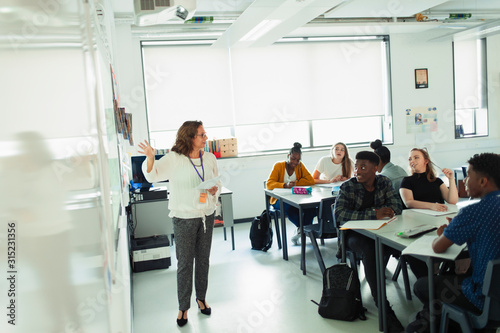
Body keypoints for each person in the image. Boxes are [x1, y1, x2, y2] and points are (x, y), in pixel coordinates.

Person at [138, 120, 221, 327]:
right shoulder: (174, 159)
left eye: (205, 134)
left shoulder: (209, 158)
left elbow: (216, 181)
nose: (205, 138)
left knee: (203, 260)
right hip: (183, 218)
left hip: (206, 216)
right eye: (202, 135)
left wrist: (214, 189)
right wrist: (150, 157)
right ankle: (183, 308)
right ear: (191, 137)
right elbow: (152, 175)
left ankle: (201, 298)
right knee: (185, 264)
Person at [406, 153, 500, 333]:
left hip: (485, 299)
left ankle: (437, 324)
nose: (464, 180)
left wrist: (445, 233)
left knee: (423, 285)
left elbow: (438, 247)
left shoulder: (473, 211)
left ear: (483, 182)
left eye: (468, 176)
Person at [334, 151, 405, 332]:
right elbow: (340, 215)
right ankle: (383, 306)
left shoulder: (384, 182)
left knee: (402, 245)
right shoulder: (348, 187)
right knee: (370, 249)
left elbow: (397, 205)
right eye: (356, 166)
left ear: (375, 168)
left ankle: (432, 306)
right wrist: (374, 214)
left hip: (382, 231)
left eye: (363, 167)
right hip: (353, 237)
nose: (358, 170)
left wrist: (386, 211)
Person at [266, 142, 316, 245]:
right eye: (293, 159)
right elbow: (269, 184)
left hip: (296, 198)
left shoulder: (300, 166)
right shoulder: (278, 166)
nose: (295, 162)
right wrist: (285, 185)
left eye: (298, 160)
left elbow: (310, 180)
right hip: (278, 200)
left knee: (310, 208)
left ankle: (300, 230)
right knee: (289, 207)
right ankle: (305, 230)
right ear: (288, 156)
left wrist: (296, 183)